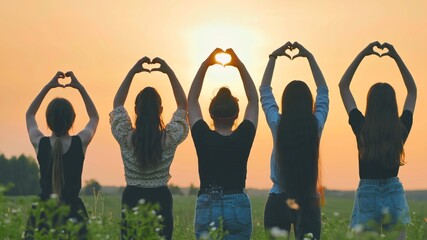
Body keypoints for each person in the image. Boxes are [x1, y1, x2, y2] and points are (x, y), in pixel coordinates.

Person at [339, 42, 416, 239]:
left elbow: (343, 86)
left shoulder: (362, 127)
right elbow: (412, 91)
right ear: (393, 104)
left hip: (368, 191)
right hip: (393, 190)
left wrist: (363, 54)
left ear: (370, 103)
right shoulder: (400, 129)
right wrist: (396, 56)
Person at [110, 57, 188, 240]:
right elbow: (182, 106)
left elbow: (118, 105)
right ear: (160, 110)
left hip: (132, 197)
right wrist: (169, 71)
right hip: (161, 198)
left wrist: (132, 72)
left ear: (136, 110)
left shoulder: (125, 135)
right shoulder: (168, 139)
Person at [260, 42, 329, 240]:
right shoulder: (315, 125)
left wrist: (273, 57)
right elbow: (323, 91)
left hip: (278, 201)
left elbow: (265, 91)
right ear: (309, 103)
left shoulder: (278, 124)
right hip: (308, 201)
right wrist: (310, 57)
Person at [188, 48, 258, 239]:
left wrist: (206, 64)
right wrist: (239, 65)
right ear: (237, 115)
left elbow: (192, 100)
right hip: (238, 204)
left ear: (210, 114)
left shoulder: (202, 136)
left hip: (207, 203)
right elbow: (253, 100)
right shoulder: (244, 135)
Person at [25, 71, 99, 239]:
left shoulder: (39, 143)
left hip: (42, 214)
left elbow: (29, 115)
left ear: (48, 120)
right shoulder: (80, 142)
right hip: (74, 214)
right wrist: (79, 87)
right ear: (73, 118)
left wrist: (48, 87)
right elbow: (94, 116)